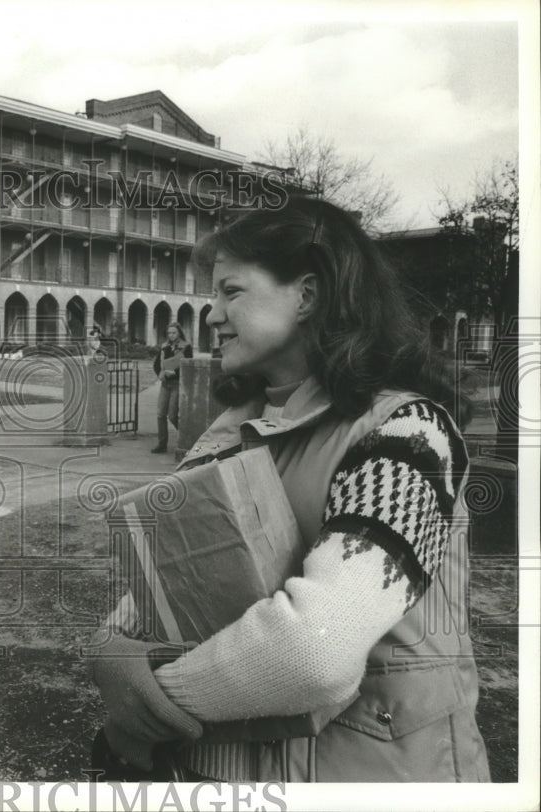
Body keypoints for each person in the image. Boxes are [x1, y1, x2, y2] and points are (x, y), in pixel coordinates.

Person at [89, 197, 491, 782]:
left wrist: (152, 706)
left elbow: (315, 652)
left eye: (232, 291)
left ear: (306, 295)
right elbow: (177, 584)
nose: (213, 313)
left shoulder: (407, 432)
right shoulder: (229, 432)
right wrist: (112, 647)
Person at [151, 322, 193, 453]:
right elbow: (157, 363)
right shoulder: (165, 346)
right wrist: (160, 373)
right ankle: (162, 444)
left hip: (176, 384)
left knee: (173, 415)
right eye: (169, 333)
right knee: (160, 414)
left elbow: (188, 365)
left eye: (174, 332)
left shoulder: (186, 347)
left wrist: (176, 374)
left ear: (179, 333)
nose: (171, 335)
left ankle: (188, 438)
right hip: (165, 384)